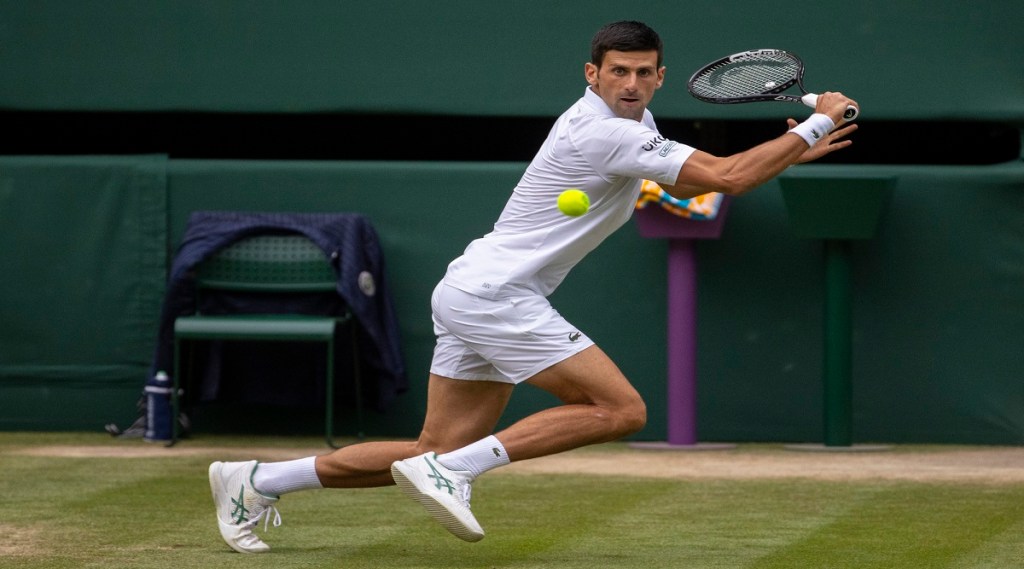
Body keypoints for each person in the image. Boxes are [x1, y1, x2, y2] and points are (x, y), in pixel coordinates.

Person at [208, 20, 858, 553]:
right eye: (618, 71)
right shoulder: (602, 131)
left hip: (472, 290)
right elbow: (729, 176)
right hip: (495, 294)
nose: (631, 84)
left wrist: (790, 151)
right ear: (592, 74)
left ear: (659, 76)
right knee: (620, 410)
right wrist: (817, 123)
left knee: (431, 447)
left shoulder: (636, 126)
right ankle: (454, 472)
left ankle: (257, 480)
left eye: (642, 72)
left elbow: (697, 183)